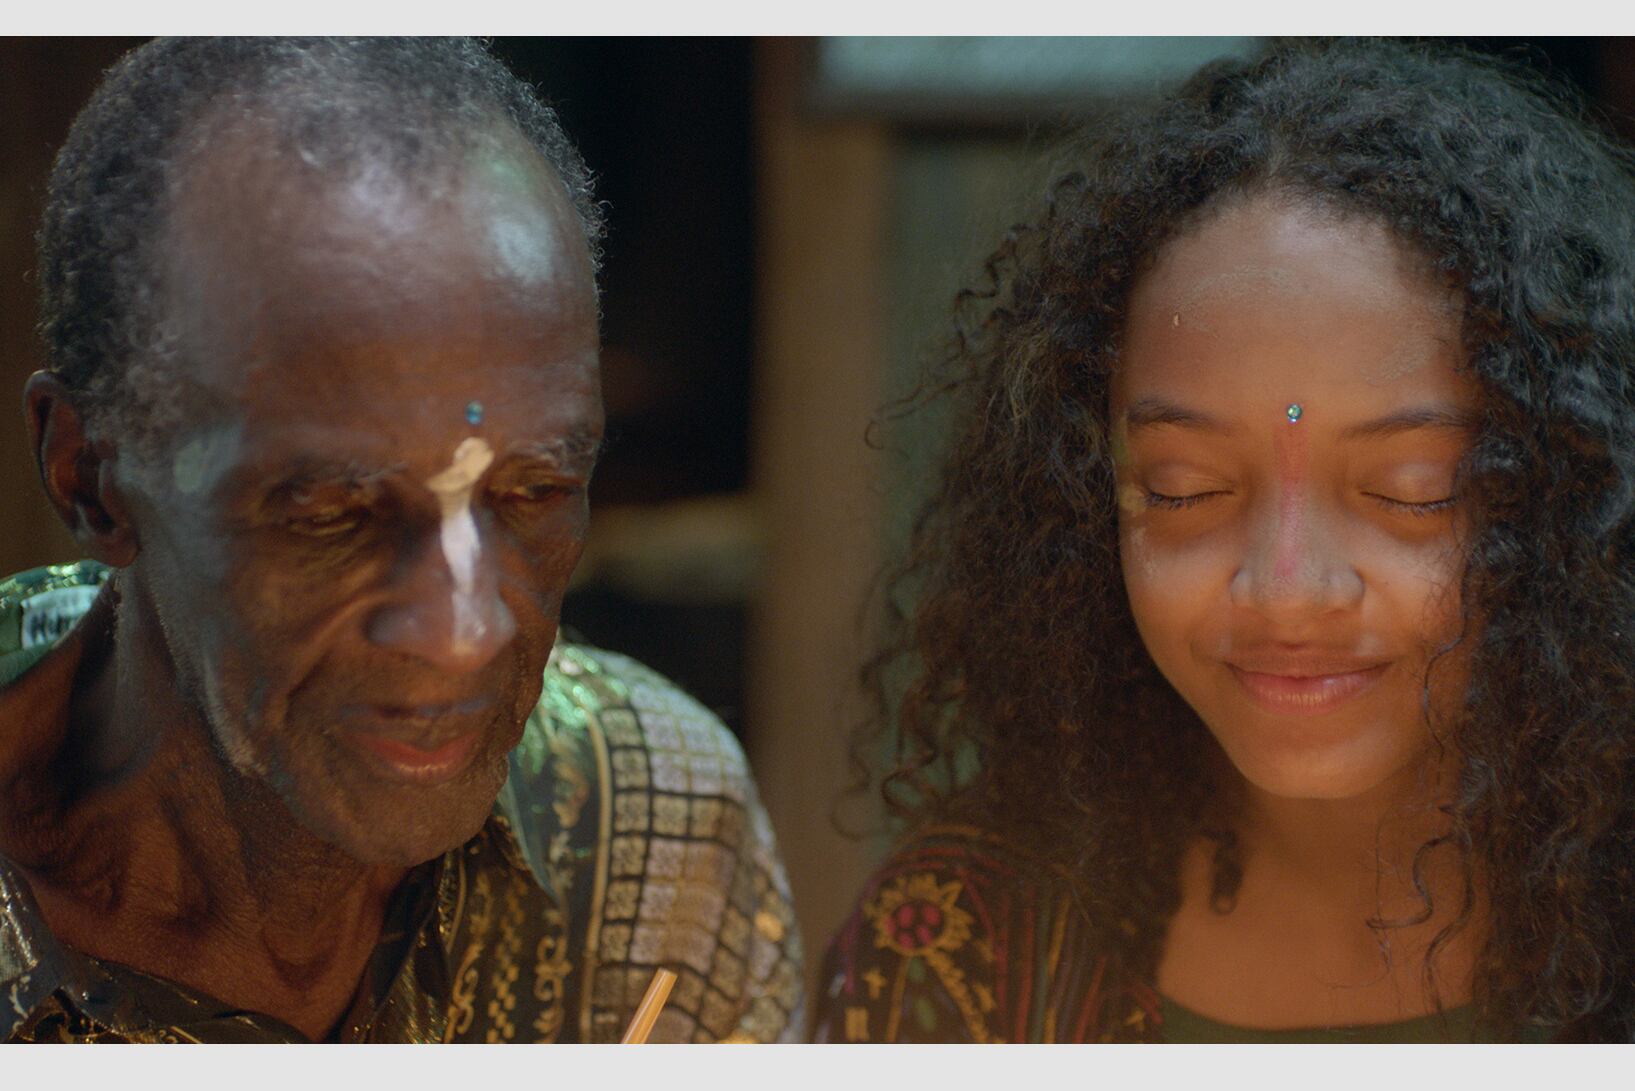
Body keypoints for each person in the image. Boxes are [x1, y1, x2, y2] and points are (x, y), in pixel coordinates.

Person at [815, 39, 1635, 1043]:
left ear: (1561, 502)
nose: (1286, 588)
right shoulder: (960, 941)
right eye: (1185, 487)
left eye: (1411, 490)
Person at [0, 37, 802, 1044]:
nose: (463, 631)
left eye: (536, 489)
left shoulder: (650, 817)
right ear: (89, 476)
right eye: (331, 513)